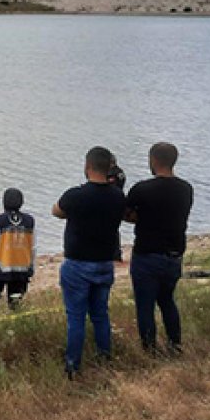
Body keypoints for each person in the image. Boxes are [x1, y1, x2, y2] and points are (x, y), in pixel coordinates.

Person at [53, 147, 125, 378]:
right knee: (100, 314)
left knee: (76, 318)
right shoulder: (117, 196)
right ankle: (105, 359)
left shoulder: (76, 195)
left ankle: (73, 366)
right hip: (105, 263)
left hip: (78, 264)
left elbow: (56, 211)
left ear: (88, 166)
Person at [125, 142, 193, 353]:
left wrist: (140, 217)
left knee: (145, 305)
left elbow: (126, 214)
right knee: (167, 301)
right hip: (174, 254)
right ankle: (175, 344)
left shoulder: (142, 189)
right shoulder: (185, 188)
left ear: (153, 159)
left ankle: (149, 349)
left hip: (147, 254)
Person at [0, 188, 35, 312]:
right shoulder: (29, 221)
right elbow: (33, 247)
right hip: (22, 269)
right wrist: (31, 267)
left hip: (0, 269)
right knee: (15, 303)